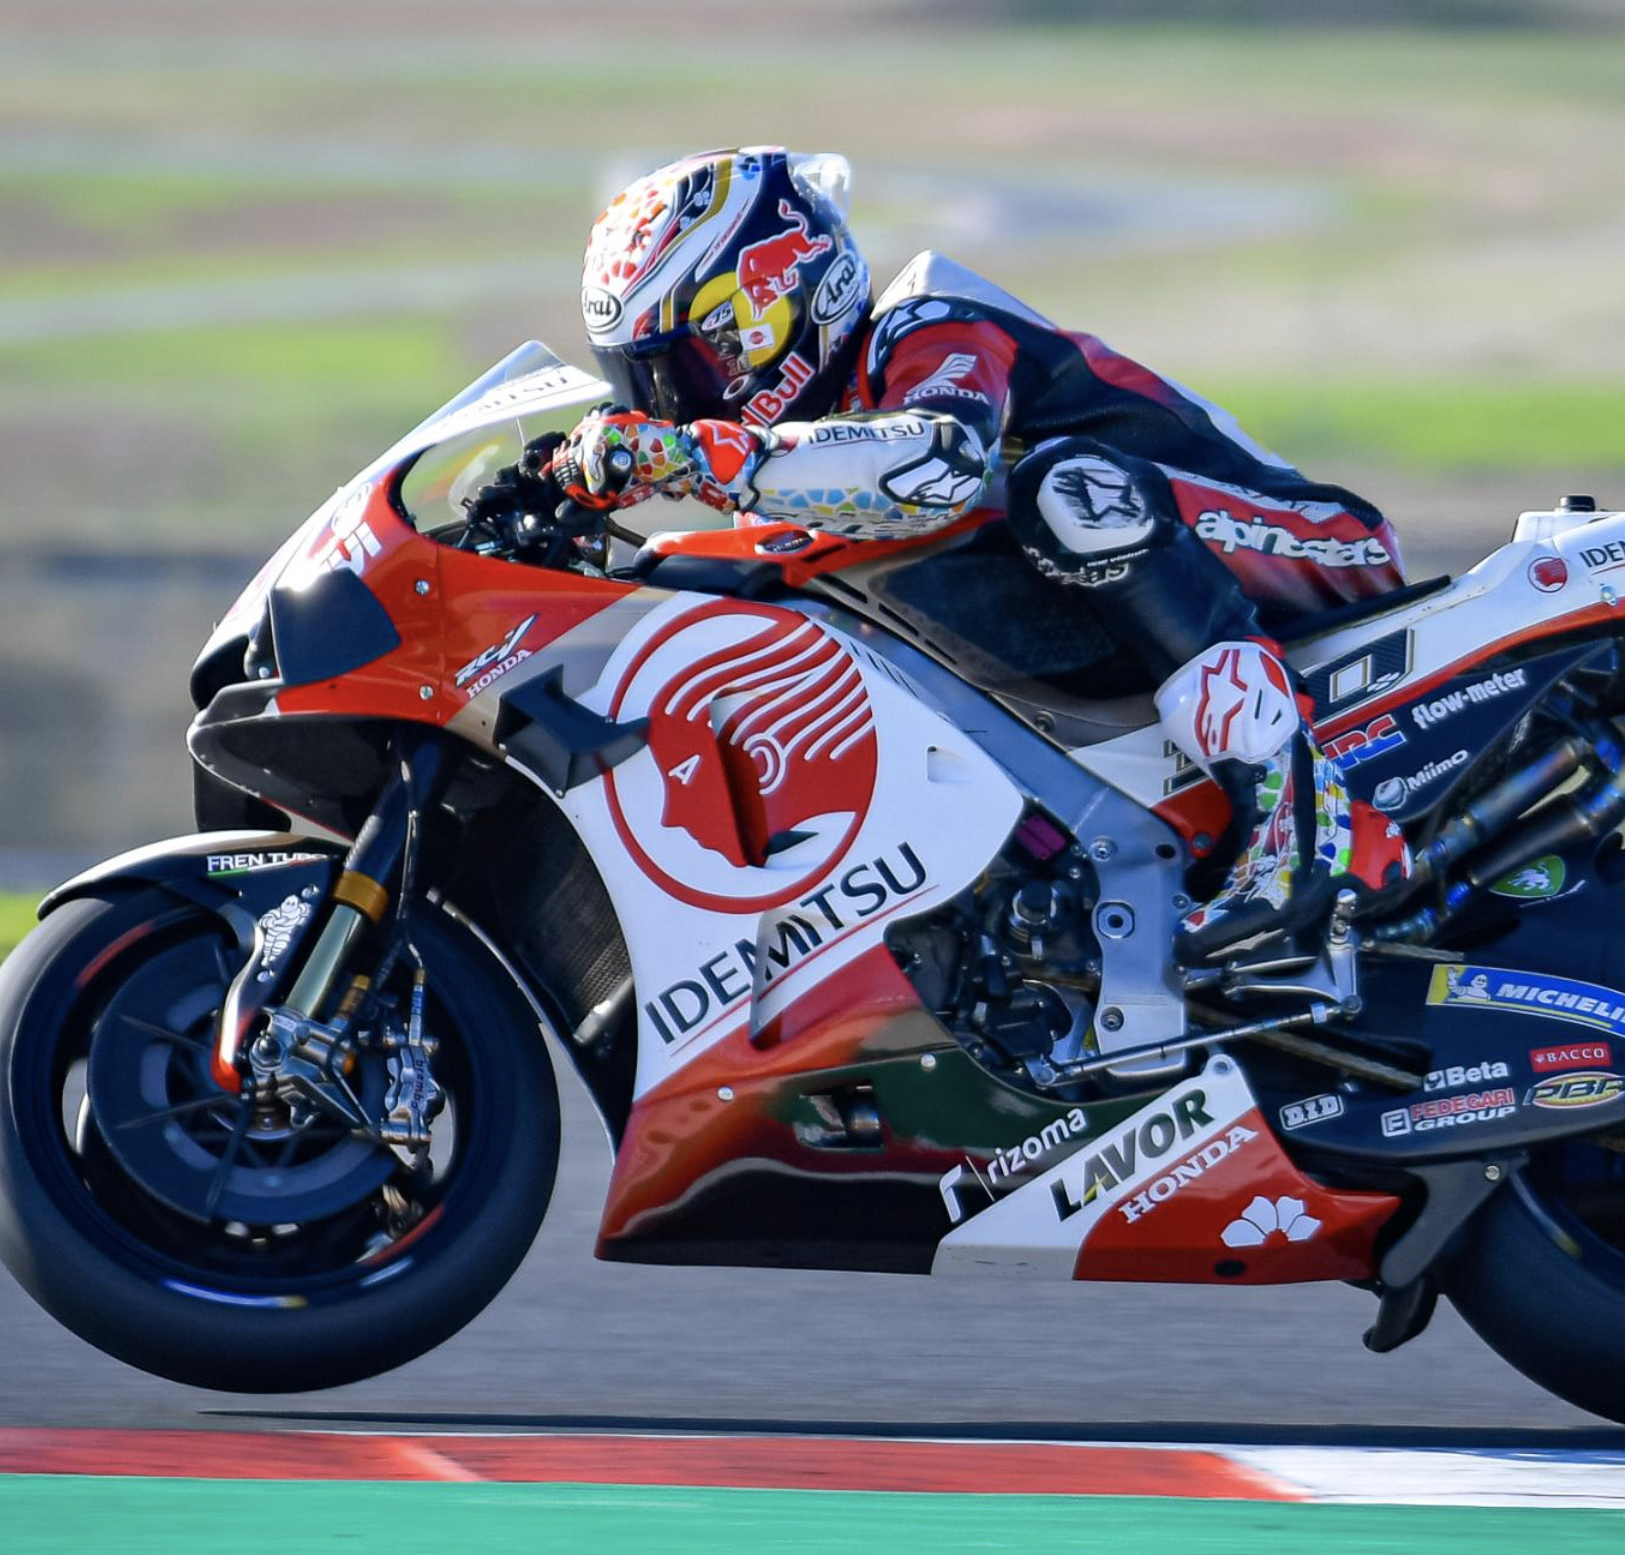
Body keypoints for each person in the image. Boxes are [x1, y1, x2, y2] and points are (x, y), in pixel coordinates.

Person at [550, 146, 1410, 957]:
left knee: (1064, 488)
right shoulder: (817, 442)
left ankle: (1302, 829)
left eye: (695, 365)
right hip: (1155, 592)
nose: (674, 406)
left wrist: (702, 457)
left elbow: (938, 462)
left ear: (781, 296)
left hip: (1311, 540)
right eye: (645, 383)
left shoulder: (931, 320)